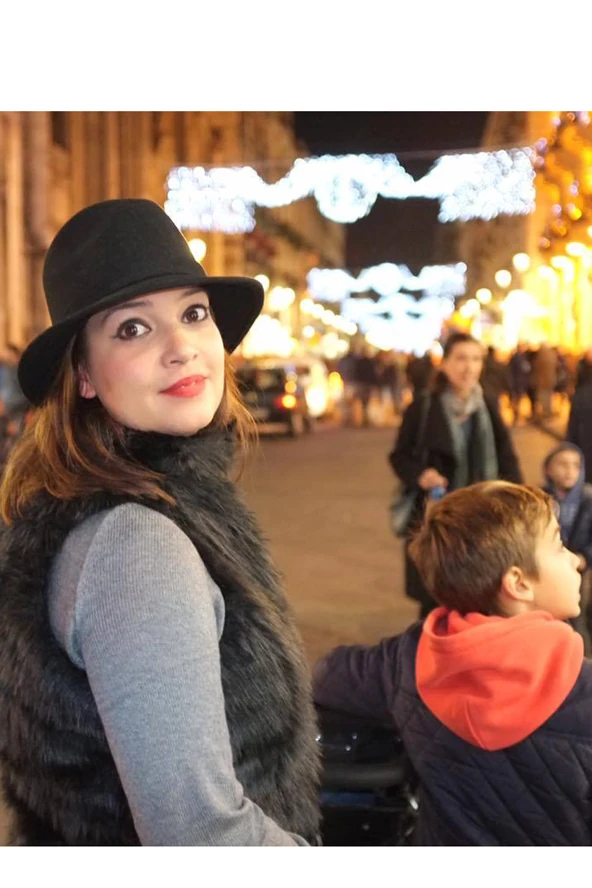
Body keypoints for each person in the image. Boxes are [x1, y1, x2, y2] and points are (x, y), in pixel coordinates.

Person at [0, 199, 321, 846]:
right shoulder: (134, 545)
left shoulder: (131, 506)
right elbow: (202, 837)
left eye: (193, 314)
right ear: (83, 376)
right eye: (132, 329)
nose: (181, 348)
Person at [313, 481, 592, 845]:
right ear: (518, 583)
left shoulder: (409, 658)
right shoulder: (583, 693)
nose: (575, 560)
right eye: (558, 545)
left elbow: (326, 674)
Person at [389, 332, 523, 618]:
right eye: (461, 358)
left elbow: (507, 458)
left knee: (482, 599)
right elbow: (399, 456)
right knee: (436, 601)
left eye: (476, 359)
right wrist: (421, 475)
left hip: (483, 520)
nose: (469, 367)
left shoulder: (488, 404)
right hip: (439, 520)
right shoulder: (424, 406)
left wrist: (521, 501)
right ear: (445, 363)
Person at [542, 442, 592, 653]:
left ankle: (582, 658)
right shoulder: (540, 497)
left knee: (578, 617)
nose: (569, 470)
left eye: (575, 465)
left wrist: (585, 557)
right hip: (549, 568)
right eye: (562, 464)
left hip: (579, 568)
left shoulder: (588, 498)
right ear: (548, 469)